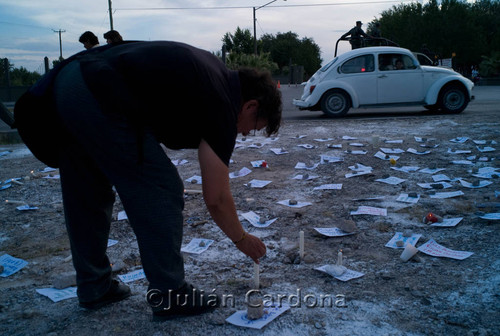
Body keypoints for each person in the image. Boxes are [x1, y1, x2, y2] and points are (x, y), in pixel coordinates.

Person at [14, 41, 282, 320]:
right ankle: (169, 294)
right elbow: (216, 198)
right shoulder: (223, 101)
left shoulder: (213, 75)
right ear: (251, 105)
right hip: (99, 91)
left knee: (89, 190)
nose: (243, 134)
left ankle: (94, 287)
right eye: (252, 128)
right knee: (161, 187)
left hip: (71, 83)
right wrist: (240, 238)